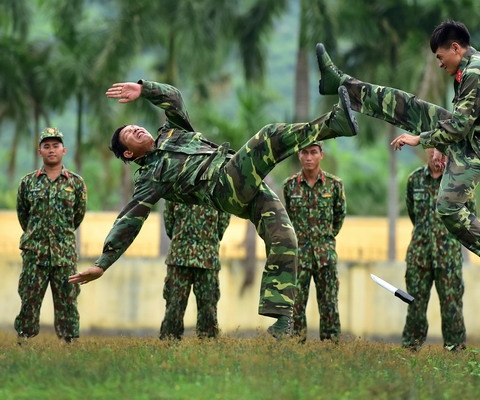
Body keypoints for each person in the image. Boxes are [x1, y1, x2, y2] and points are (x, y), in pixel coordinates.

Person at [68, 80, 358, 337]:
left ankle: (282, 321)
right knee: (268, 136)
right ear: (129, 153)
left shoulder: (172, 133)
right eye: (129, 134)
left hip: (243, 179)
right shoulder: (150, 176)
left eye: (134, 126)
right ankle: (335, 124)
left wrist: (144, 90)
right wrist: (102, 262)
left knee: (284, 237)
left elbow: (175, 99)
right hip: (223, 185)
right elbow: (129, 218)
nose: (135, 128)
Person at [316, 20, 480, 300]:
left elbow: (459, 125)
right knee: (407, 107)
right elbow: (461, 123)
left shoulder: (474, 71)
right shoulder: (474, 66)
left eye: (440, 56)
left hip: (479, 148)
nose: (439, 64)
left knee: (447, 208)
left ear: (456, 48)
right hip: (473, 137)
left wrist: (419, 139)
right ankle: (340, 83)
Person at [15, 128, 87, 344]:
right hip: (34, 253)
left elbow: (78, 216)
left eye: (55, 146)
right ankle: (24, 341)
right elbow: (23, 216)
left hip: (63, 253)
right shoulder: (28, 182)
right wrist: (36, 236)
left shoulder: (75, 183)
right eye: (46, 146)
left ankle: (68, 344)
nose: (51, 150)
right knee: (29, 298)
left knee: (67, 300)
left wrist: (60, 237)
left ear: (64, 150)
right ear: (40, 152)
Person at [401, 148, 475, 352]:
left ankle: (455, 354)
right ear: (427, 149)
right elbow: (413, 215)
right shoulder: (414, 180)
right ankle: (410, 352)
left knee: (452, 309)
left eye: (442, 151)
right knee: (415, 307)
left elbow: (469, 219)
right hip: (419, 257)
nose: (437, 156)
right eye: (433, 149)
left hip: (448, 258)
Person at [283, 141, 346, 342]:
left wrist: (325, 239)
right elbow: (285, 219)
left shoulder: (334, 185)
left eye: (313, 152)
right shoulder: (289, 186)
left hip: (324, 256)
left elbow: (339, 218)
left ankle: (330, 349)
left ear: (321, 155)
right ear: (299, 155)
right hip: (298, 257)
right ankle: (296, 346)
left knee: (329, 305)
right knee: (296, 305)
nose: (309, 157)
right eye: (304, 153)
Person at [160, 201, 231, 340]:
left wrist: (209, 241)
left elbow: (223, 221)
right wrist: (181, 241)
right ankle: (167, 346)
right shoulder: (177, 186)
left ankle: (208, 348)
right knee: (174, 306)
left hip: (207, 260)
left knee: (208, 309)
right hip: (179, 259)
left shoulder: (216, 187)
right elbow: (169, 220)